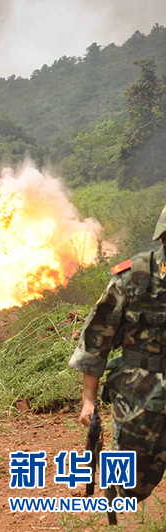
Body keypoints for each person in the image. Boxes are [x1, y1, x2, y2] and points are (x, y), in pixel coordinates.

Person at [70, 202, 166, 505]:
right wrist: (88, 401)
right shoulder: (133, 278)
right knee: (130, 487)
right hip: (141, 396)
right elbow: (96, 340)